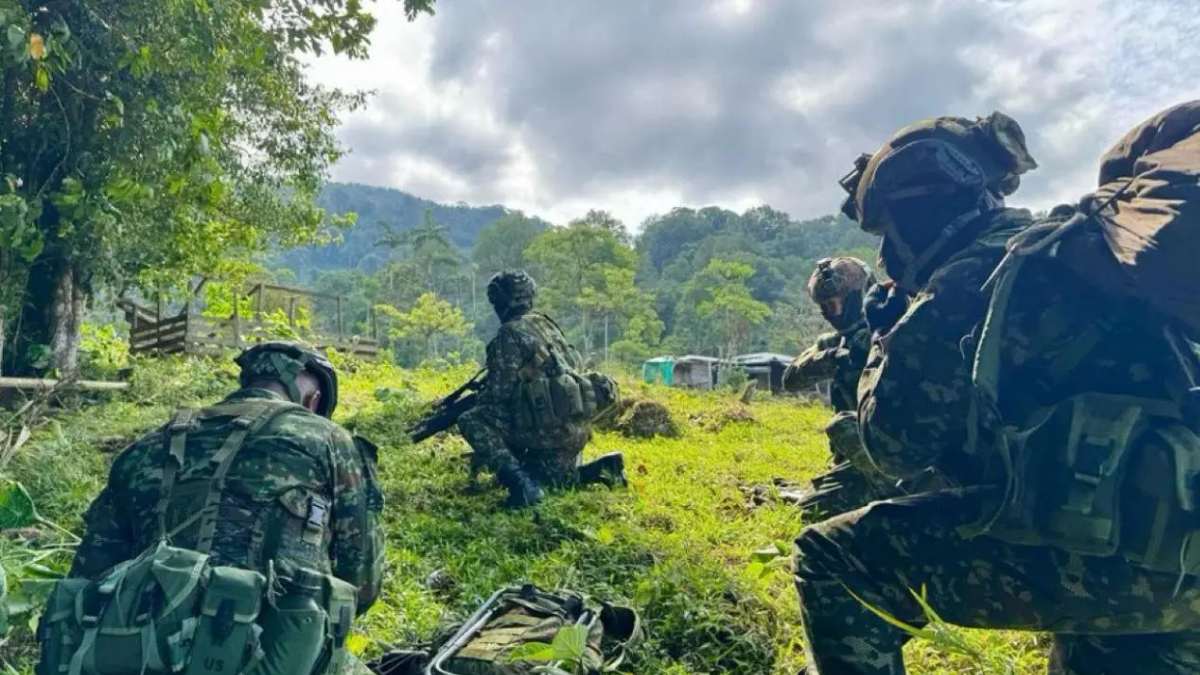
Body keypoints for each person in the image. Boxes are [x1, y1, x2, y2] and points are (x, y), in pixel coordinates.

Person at [794, 109, 1200, 675]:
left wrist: (882, 341)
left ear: (916, 211)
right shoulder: (1077, 251)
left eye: (889, 230)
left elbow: (892, 449)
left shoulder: (964, 280)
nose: (887, 255)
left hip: (1108, 549)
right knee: (1116, 642)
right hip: (1179, 547)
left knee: (834, 560)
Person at [64, 342, 384, 675]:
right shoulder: (330, 441)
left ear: (247, 383)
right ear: (312, 401)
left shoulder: (146, 446)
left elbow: (89, 575)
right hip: (274, 655)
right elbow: (362, 582)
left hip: (141, 653)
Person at [458, 270, 624, 508]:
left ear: (498, 302)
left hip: (547, 430)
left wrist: (479, 401)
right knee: (554, 481)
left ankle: (522, 488)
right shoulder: (546, 324)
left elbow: (498, 395)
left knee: (471, 420)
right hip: (574, 428)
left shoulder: (509, 333)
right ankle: (606, 467)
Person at [783, 257, 895, 518]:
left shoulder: (889, 328)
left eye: (835, 304)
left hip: (894, 451)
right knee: (808, 511)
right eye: (825, 307)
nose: (831, 313)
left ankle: (903, 493)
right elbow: (791, 380)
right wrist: (831, 359)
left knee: (841, 424)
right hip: (855, 460)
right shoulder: (833, 343)